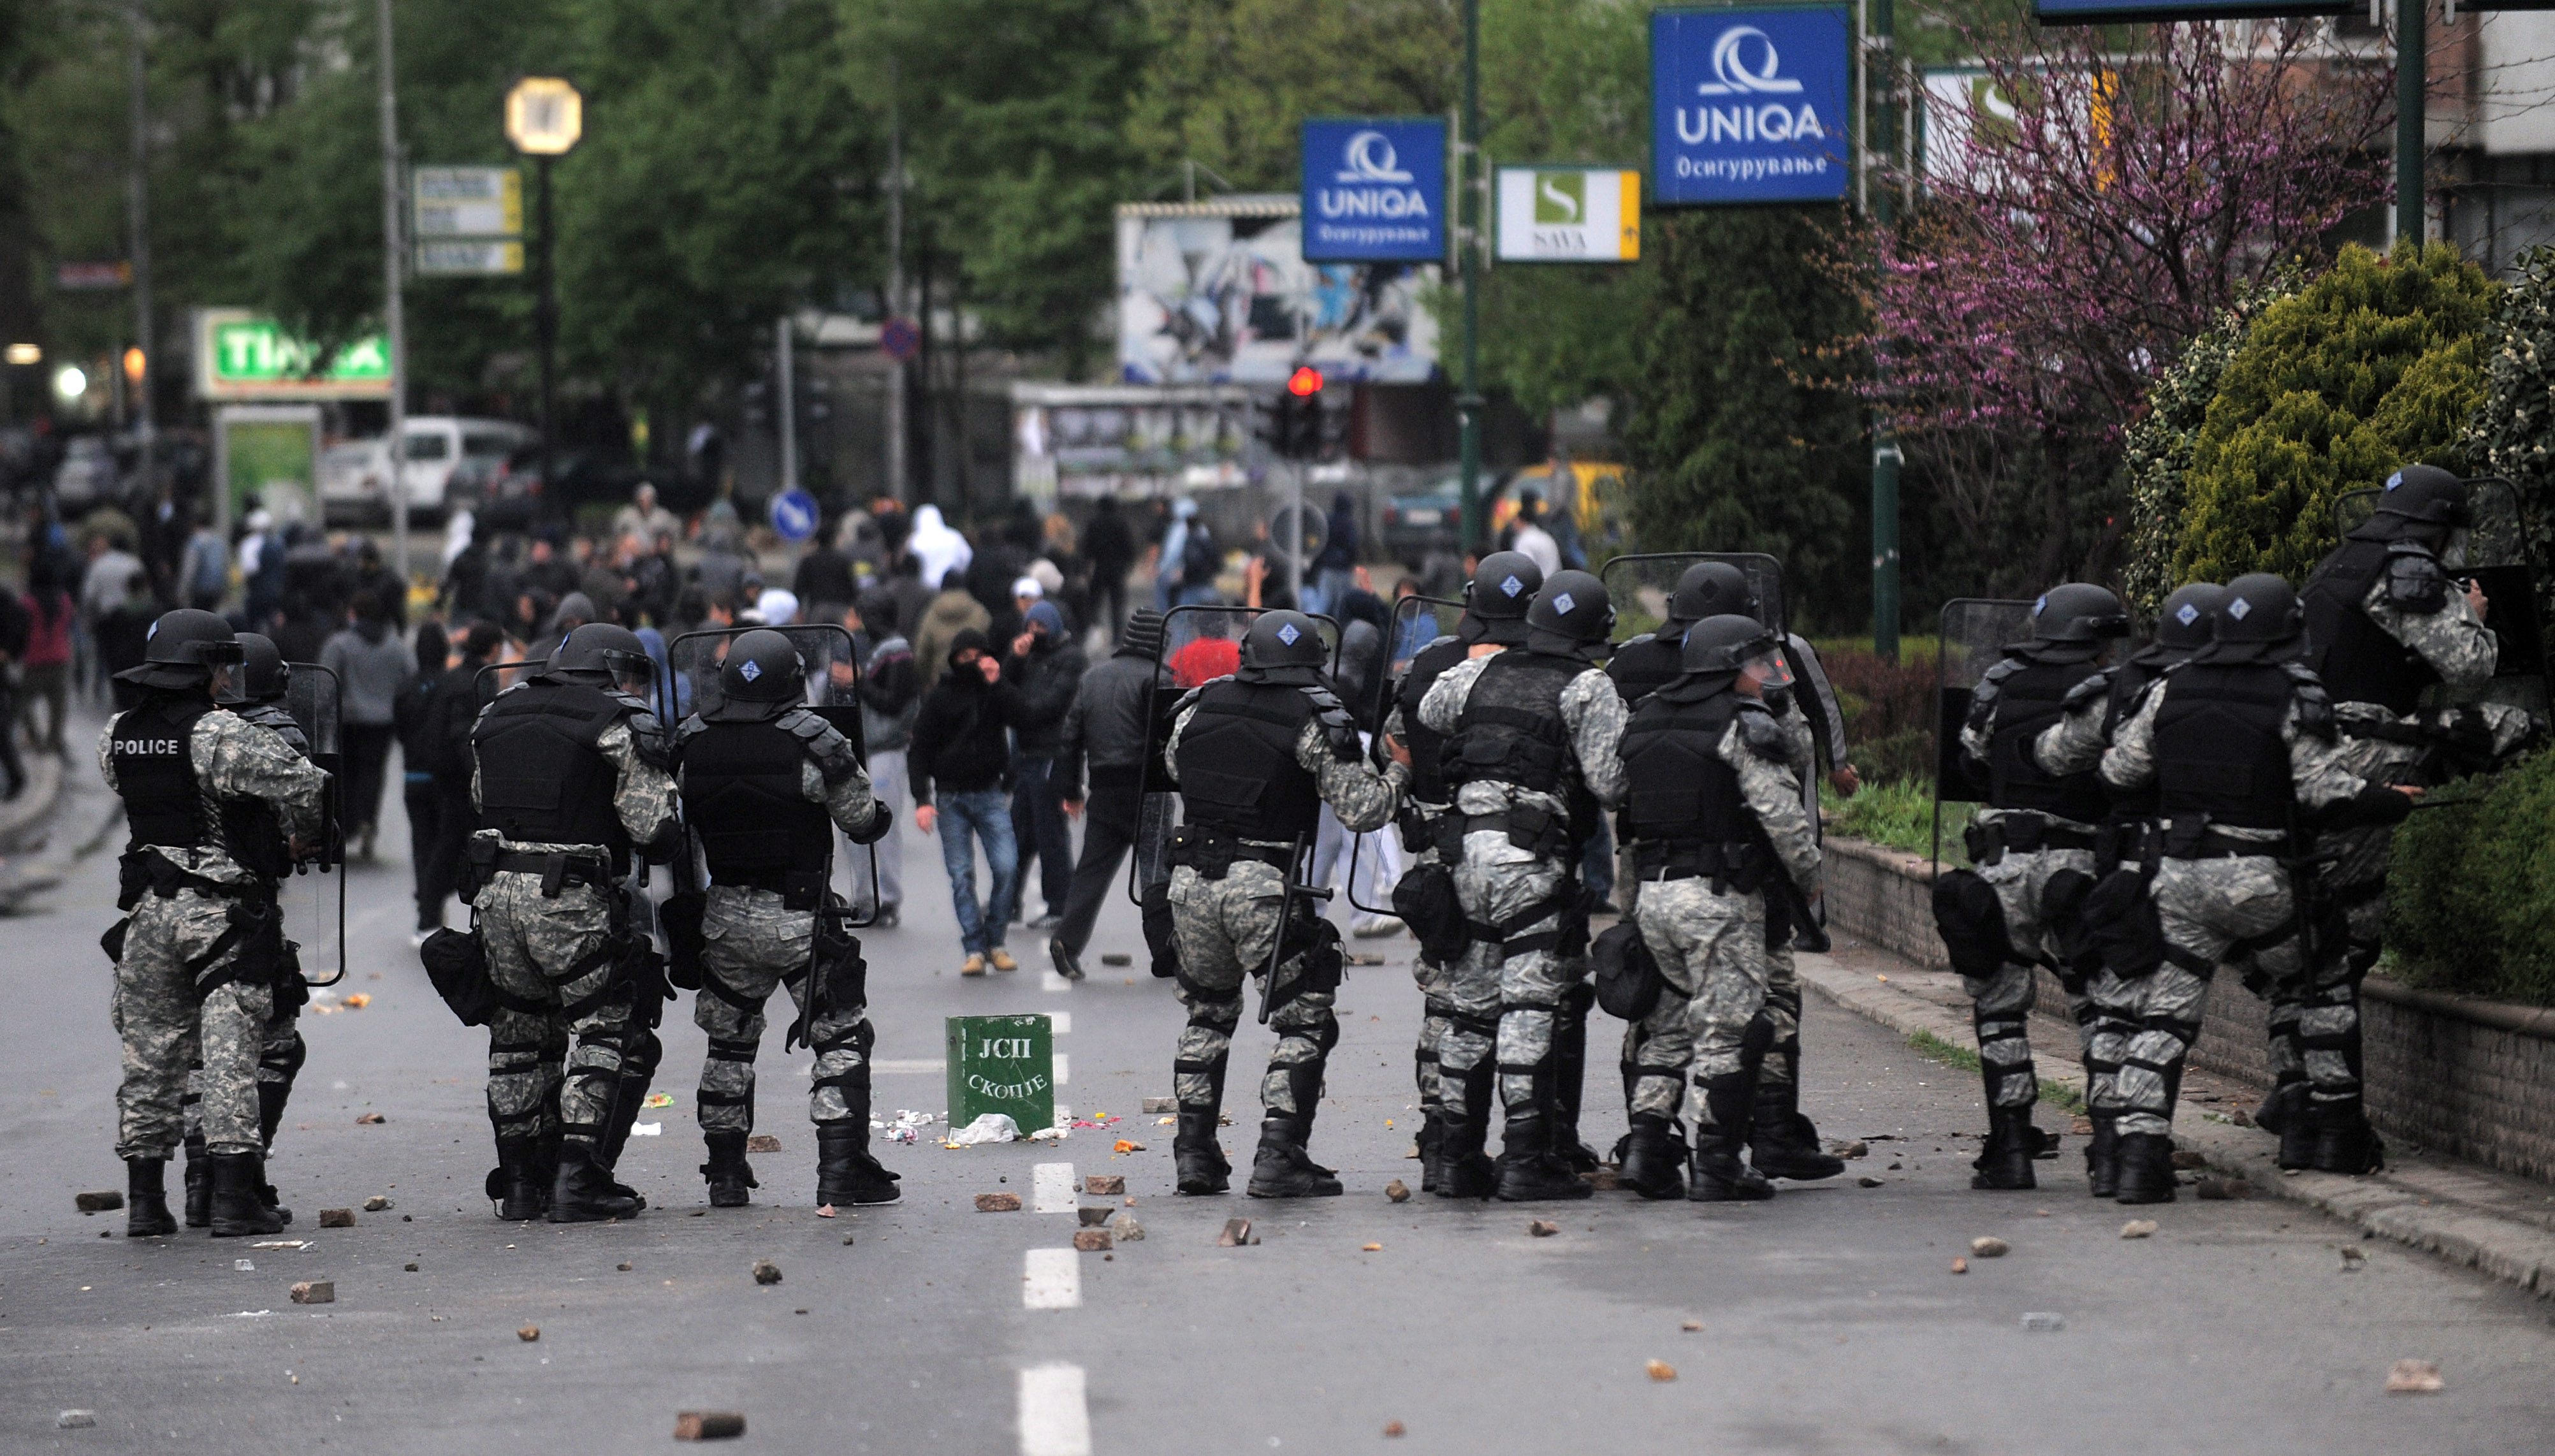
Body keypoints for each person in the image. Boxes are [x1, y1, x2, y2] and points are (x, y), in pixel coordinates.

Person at [2097, 574, 2420, 1198]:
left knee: (2164, 1013)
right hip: (2262, 883)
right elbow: (2326, 793)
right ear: (2287, 631)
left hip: (2180, 880)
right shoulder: (2294, 690)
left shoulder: (2170, 685)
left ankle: (2138, 1158)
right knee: (2321, 976)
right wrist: (2388, 800)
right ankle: (2329, 1132)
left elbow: (2118, 771)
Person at [2289, 464, 2528, 1163]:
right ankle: (2334, 1127)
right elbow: (2469, 668)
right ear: (2438, 526)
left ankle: (2295, 1099)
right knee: (2346, 941)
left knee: (2309, 932)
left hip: (2306, 758)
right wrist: (2477, 620)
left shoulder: (2334, 565)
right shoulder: (2408, 570)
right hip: (2365, 762)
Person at [98, 610, 329, 1237]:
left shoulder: (117, 733)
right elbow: (304, 784)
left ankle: (147, 1202)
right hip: (216, 913)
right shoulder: (215, 733)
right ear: (204, 669)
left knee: (151, 1052)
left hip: (147, 912)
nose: (227, 678)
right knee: (231, 1049)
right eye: (221, 667)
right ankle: (229, 1197)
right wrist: (300, 839)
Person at [1163, 609, 1404, 1198]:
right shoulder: (1314, 716)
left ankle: (1194, 1155)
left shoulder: (1200, 704)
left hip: (1190, 880)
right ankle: (1278, 1155)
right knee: (1305, 1020)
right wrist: (1400, 771)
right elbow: (1364, 810)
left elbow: (1173, 766)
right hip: (1262, 884)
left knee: (1208, 1015)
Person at [1417, 569, 1626, 1202]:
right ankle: (1525, 1159)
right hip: (1528, 857)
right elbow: (1613, 784)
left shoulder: (1479, 671)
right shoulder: (1589, 686)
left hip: (1465, 853)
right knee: (1530, 1006)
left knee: (1471, 1009)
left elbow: (1429, 708)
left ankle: (1456, 1157)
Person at [672, 630, 898, 1210]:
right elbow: (861, 819)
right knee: (840, 1039)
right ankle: (840, 1175)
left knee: (727, 1046)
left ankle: (724, 1175)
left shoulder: (691, 740)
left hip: (723, 918)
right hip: (800, 920)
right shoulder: (812, 740)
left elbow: (665, 826)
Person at [468, 623, 681, 1222]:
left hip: (494, 894)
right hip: (568, 897)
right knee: (601, 1030)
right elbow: (656, 832)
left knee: (516, 1038)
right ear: (612, 671)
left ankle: (518, 1183)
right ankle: (577, 1179)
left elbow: (481, 799)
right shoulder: (615, 723)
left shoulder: (497, 711)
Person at [1616, 615, 1823, 1202]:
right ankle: (1717, 1163)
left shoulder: (1647, 716)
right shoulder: (1741, 724)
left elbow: (1622, 805)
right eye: (1758, 665)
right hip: (1717, 898)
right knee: (1728, 1032)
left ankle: (1648, 1150)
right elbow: (1782, 815)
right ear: (1732, 668)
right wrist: (1809, 880)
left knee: (1667, 1028)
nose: (1766, 675)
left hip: (1653, 896)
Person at [2030, 581, 2227, 1194]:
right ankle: (2143, 1153)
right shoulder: (2239, 686)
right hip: (2213, 869)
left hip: (2125, 872)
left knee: (2116, 1011)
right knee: (2168, 1015)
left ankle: (2110, 1153)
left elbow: (2056, 756)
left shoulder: (2122, 686)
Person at [1930, 584, 2127, 1191]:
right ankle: (2113, 1148)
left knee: (1999, 1008)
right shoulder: (2111, 688)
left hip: (2006, 860)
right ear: (2095, 636)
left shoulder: (2000, 681)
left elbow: (1970, 762)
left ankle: (2011, 1148)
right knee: (2099, 1003)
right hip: (2080, 863)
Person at [1385, 550, 1540, 1193]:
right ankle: (1534, 1144)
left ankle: (1440, 1138)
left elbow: (1392, 739)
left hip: (1441, 850)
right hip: (1523, 855)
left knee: (1448, 997)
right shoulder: (1543, 670)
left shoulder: (1431, 663)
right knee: (1532, 994)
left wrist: (1428, 793)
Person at [180, 632, 319, 1228]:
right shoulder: (269, 735)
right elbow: (306, 811)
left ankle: (195, 1185)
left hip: (167, 909)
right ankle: (237, 1183)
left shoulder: (176, 731)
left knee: (198, 1055)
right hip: (243, 912)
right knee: (275, 1044)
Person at [1050, 609, 1170, 980]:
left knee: (1092, 871)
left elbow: (1070, 740)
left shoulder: (1093, 678)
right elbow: (1163, 740)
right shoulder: (1160, 680)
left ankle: (1067, 942)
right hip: (1148, 791)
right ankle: (1166, 951)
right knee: (1155, 873)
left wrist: (1070, 789)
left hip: (1103, 788)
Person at [909, 630, 1026, 975]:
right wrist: (922, 800)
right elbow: (920, 749)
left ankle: (996, 940)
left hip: (991, 794)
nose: (973, 664)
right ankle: (975, 948)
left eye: (980, 656)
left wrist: (998, 681)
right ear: (955, 658)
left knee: (1007, 867)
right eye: (966, 657)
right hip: (952, 798)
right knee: (961, 875)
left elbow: (1025, 718)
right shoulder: (940, 698)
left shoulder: (996, 693)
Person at [837, 593, 920, 926]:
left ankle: (885, 896)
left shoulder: (896, 652)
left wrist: (858, 681)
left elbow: (894, 704)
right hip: (862, 748)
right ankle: (865, 895)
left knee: (881, 826)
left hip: (884, 748)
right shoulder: (869, 647)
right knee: (854, 827)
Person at [1005, 600, 1088, 930]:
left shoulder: (1071, 659)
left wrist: (1019, 711)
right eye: (1030, 627)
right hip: (1025, 754)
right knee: (1018, 832)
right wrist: (1014, 658)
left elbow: (1051, 705)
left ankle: (1060, 903)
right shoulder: (1029, 658)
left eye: (1040, 627)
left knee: (1049, 831)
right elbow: (1000, 687)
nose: (1034, 633)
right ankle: (1007, 900)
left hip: (1051, 754)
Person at [321, 590, 414, 862]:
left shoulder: (340, 644)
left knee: (347, 773)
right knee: (374, 772)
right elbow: (410, 677)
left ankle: (346, 823)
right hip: (383, 721)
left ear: (355, 614)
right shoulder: (396, 646)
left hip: (348, 719)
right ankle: (368, 821)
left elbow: (327, 679)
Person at [396, 622, 454, 939]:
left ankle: (426, 909)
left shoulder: (405, 687)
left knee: (422, 843)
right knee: (445, 845)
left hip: (413, 775)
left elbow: (401, 732)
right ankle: (434, 903)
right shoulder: (450, 685)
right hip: (443, 779)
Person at [20, 558, 73, 756]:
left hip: (34, 658)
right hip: (59, 657)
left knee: (22, 703)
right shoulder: (64, 599)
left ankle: (35, 737)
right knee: (58, 707)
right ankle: (52, 743)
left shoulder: (28, 601)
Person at [914, 569, 990, 690]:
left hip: (939, 685)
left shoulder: (931, 614)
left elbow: (922, 653)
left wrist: (926, 680)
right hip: (972, 684)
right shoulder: (980, 612)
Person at [1083, 495, 1138, 643]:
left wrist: (1085, 568)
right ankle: (1117, 637)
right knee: (1117, 605)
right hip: (1117, 569)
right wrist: (1129, 564)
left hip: (1099, 568)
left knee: (1094, 604)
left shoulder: (1093, 523)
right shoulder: (1121, 523)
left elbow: (1086, 548)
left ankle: (1094, 633)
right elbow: (1129, 546)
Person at [1309, 490, 1360, 618]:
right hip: (1343, 569)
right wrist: (1350, 561)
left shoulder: (1327, 520)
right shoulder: (1349, 524)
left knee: (1323, 600)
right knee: (1342, 602)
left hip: (1327, 567)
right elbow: (1352, 546)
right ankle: (1340, 627)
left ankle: (1313, 624)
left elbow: (1319, 543)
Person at [905, 504, 973, 590]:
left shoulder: (915, 541)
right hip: (951, 587)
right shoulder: (954, 536)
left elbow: (910, 565)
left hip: (925, 590)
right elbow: (967, 558)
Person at [180, 511, 228, 612]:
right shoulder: (219, 541)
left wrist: (182, 591)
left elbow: (189, 570)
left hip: (200, 591)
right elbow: (225, 566)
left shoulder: (195, 542)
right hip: (217, 589)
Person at [613, 483, 681, 546]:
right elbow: (616, 530)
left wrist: (663, 538)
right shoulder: (627, 513)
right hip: (633, 549)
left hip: (655, 549)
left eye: (648, 499)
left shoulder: (662, 515)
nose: (645, 502)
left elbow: (675, 528)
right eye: (642, 499)